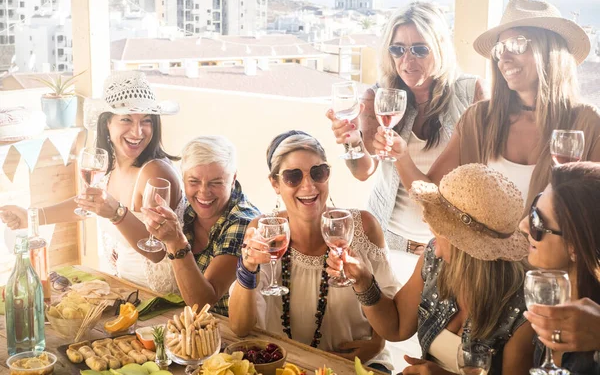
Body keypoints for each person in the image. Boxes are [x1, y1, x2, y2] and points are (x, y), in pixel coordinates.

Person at [372, 0, 600, 217]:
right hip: (482, 259)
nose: (504, 58)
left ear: (550, 50)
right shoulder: (478, 119)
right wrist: (401, 155)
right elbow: (432, 194)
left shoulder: (588, 124)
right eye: (499, 50)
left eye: (516, 45)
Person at [329, 164, 536, 374]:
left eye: (440, 223)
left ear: (465, 246)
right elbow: (397, 326)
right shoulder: (434, 261)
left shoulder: (524, 308)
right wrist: (364, 282)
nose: (427, 221)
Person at [228, 131, 399, 372]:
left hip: (358, 365)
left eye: (318, 172)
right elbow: (239, 326)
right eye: (293, 176)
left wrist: (377, 343)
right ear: (275, 183)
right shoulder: (264, 231)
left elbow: (393, 316)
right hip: (288, 367)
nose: (308, 185)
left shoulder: (363, 226)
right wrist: (248, 268)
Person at [0, 71, 182, 294]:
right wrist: (31, 217)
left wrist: (116, 213)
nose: (138, 131)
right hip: (124, 286)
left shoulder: (155, 172)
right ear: (107, 123)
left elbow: (158, 251)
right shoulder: (110, 164)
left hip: (157, 297)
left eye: (146, 121)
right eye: (126, 119)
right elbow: (87, 206)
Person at [326, 1, 486, 253]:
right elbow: (363, 171)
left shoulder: (469, 93)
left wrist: (402, 156)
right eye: (398, 49)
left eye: (420, 50)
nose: (407, 60)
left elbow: (466, 178)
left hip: (452, 246)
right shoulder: (378, 96)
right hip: (389, 241)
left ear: (440, 48)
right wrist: (352, 140)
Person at [140, 136, 260, 315]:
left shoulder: (243, 221)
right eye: (194, 181)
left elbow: (203, 303)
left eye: (216, 182)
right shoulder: (187, 210)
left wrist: (176, 242)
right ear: (183, 178)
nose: (204, 192)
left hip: (228, 332)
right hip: (189, 324)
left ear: (233, 179)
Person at [519, 162, 600, 373]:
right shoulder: (547, 295)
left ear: (575, 246)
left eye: (538, 222)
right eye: (533, 210)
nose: (523, 225)